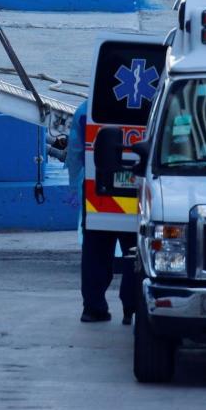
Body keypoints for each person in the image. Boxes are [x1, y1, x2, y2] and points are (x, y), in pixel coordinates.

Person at [65, 100, 139, 325]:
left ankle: (93, 307)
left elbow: (75, 153)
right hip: (139, 189)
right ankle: (132, 309)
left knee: (95, 252)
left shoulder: (85, 110)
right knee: (137, 253)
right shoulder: (156, 101)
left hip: (99, 189)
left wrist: (75, 186)